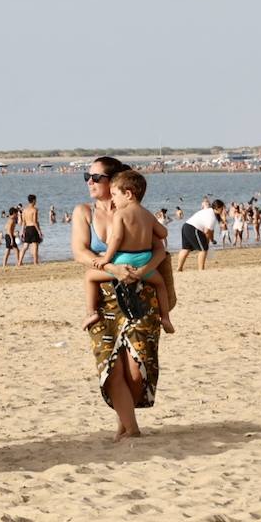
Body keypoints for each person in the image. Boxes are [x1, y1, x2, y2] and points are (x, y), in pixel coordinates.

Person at [71, 157, 163, 442]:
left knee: (138, 368)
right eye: (88, 176)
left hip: (140, 294)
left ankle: (126, 421)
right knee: (110, 367)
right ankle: (130, 427)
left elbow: (161, 248)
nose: (90, 181)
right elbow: (80, 252)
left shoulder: (134, 211)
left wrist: (141, 272)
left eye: (96, 177)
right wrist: (112, 268)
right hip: (103, 297)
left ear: (114, 181)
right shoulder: (83, 212)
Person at [84, 170, 174, 334]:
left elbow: (116, 239)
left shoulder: (120, 214)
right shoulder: (148, 215)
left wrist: (106, 258)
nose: (112, 199)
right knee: (160, 284)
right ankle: (166, 317)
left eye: (114, 195)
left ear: (128, 194)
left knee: (90, 277)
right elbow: (163, 233)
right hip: (145, 261)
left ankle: (91, 313)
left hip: (123, 261)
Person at [176, 199, 225, 271]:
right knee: (203, 249)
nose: (223, 210)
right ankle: (201, 269)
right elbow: (207, 231)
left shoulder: (209, 210)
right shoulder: (212, 217)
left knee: (186, 249)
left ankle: (179, 268)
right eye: (222, 208)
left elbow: (211, 231)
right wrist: (208, 242)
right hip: (193, 228)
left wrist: (211, 239)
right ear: (218, 208)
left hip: (186, 226)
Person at [21, 194, 44, 264]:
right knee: (35, 246)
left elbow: (23, 222)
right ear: (33, 200)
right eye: (35, 200)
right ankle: (35, 262)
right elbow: (35, 222)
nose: (36, 201)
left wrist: (22, 231)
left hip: (27, 228)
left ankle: (19, 262)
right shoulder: (34, 210)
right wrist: (39, 231)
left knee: (25, 246)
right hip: (33, 228)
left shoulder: (24, 210)